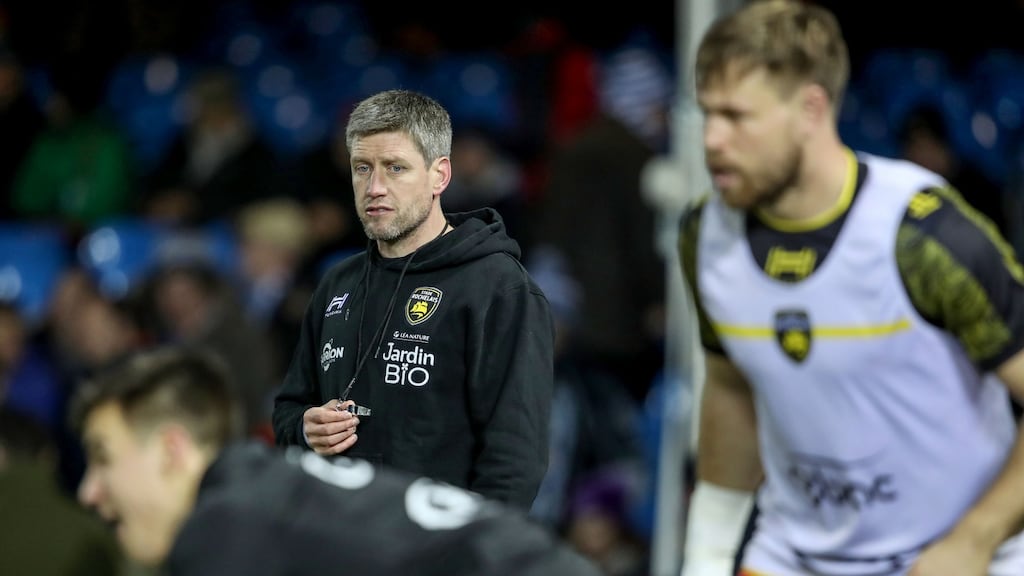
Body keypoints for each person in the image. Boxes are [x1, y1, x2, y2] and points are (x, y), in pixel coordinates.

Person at [677, 2, 1024, 576]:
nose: (712, 139)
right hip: (796, 554)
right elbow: (731, 389)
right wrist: (708, 555)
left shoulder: (924, 236)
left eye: (737, 116)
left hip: (960, 554)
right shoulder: (705, 235)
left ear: (811, 109)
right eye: (706, 113)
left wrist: (974, 538)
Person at [72, 346, 601, 576]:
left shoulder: (226, 524)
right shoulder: (264, 493)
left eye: (104, 458)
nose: (89, 491)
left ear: (172, 451)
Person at [271, 89, 555, 510]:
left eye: (395, 168)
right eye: (361, 168)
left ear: (440, 175)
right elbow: (289, 410)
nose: (374, 187)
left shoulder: (497, 288)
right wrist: (305, 430)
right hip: (336, 541)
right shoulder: (337, 283)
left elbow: (514, 459)